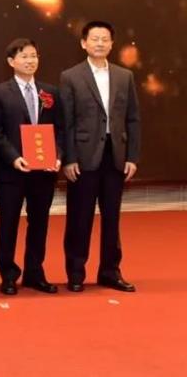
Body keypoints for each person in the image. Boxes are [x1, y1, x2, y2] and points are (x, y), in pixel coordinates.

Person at [61, 21, 141, 293]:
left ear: (111, 43)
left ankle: (110, 271)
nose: (99, 43)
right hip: (83, 157)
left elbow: (133, 119)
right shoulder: (71, 76)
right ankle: (75, 272)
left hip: (115, 155)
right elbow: (67, 122)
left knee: (111, 217)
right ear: (83, 43)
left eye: (105, 39)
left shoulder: (124, 76)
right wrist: (69, 158)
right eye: (94, 39)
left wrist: (132, 156)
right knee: (79, 217)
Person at [0, 38, 63, 295]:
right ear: (11, 62)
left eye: (34, 56)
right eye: (24, 56)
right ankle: (8, 274)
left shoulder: (51, 92)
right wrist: (13, 157)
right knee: (8, 224)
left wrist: (58, 156)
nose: (30, 61)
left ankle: (35, 272)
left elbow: (61, 129)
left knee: (39, 223)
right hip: (12, 171)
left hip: (44, 171)